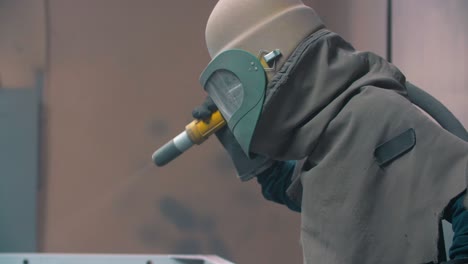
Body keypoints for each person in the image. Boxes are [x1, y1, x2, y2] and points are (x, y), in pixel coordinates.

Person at [192, 0, 468, 263]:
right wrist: (235, 139)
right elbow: (299, 190)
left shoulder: (374, 113)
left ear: (271, 61)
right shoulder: (328, 134)